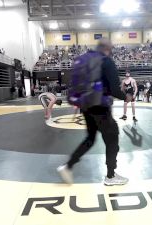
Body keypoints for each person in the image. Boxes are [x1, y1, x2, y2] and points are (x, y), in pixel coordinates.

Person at [57, 38, 130, 186]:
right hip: (100, 106)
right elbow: (115, 89)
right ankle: (110, 176)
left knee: (90, 138)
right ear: (108, 49)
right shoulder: (106, 61)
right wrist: (126, 97)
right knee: (112, 138)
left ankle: (68, 166)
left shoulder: (85, 59)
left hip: (86, 105)